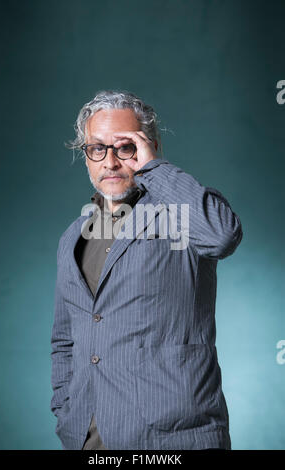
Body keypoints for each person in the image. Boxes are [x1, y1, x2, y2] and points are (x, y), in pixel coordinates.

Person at [50, 90, 243, 450]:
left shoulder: (182, 214)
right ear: (86, 156)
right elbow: (65, 339)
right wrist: (66, 410)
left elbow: (222, 236)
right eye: (97, 148)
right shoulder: (72, 237)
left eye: (124, 147)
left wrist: (155, 170)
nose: (110, 162)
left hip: (176, 438)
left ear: (149, 148)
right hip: (89, 438)